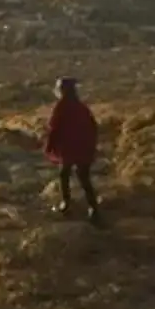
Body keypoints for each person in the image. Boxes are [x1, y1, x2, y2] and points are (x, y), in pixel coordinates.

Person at [43, 77, 101, 225]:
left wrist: (49, 145)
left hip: (68, 148)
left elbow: (54, 128)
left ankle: (66, 203)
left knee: (64, 175)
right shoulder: (81, 107)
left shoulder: (61, 107)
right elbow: (93, 127)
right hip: (83, 147)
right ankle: (93, 208)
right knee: (84, 178)